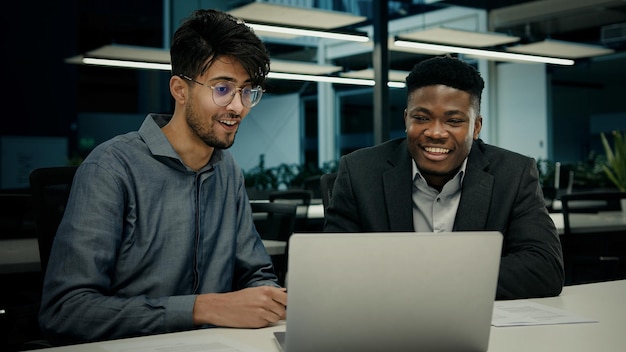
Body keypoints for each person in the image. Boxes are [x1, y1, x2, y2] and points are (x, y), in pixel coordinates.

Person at [38, 9, 287, 344]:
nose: (238, 106)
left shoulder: (227, 171)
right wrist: (203, 308)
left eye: (247, 91)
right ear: (180, 90)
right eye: (223, 88)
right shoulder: (112, 168)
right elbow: (64, 311)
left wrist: (267, 299)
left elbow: (257, 273)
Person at [324, 55, 564, 300]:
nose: (436, 132)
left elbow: (544, 268)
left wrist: (428, 279)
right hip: (385, 324)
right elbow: (332, 267)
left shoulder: (513, 173)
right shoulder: (359, 171)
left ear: (476, 127)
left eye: (454, 121)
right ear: (406, 119)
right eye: (421, 118)